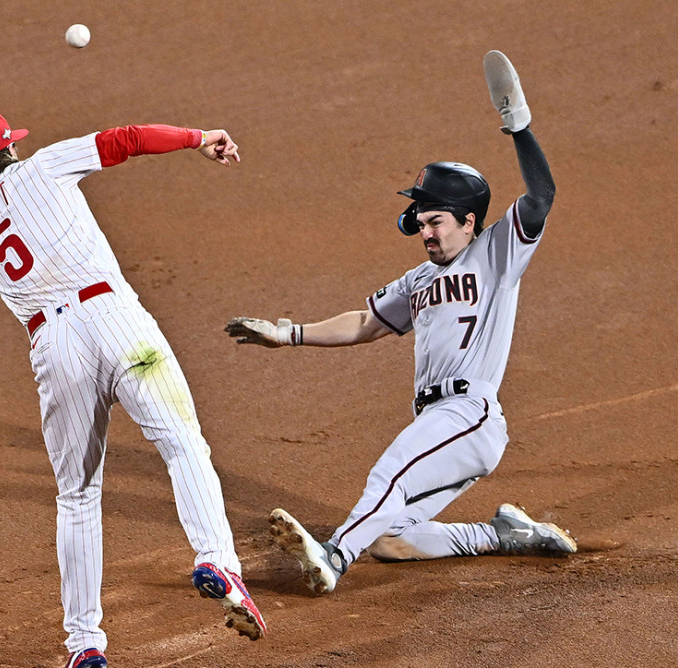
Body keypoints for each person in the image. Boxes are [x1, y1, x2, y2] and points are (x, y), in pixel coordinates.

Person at [0, 115, 265, 668]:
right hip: (115, 321)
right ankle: (216, 559)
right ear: (8, 152)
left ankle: (85, 646)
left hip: (53, 348)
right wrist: (200, 138)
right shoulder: (44, 167)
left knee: (76, 496)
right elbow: (128, 140)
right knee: (182, 445)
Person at [224, 51, 576, 596]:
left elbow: (541, 197)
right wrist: (286, 332)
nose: (426, 233)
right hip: (443, 422)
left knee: (388, 474)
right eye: (420, 223)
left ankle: (335, 556)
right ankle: (504, 534)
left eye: (436, 221)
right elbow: (365, 322)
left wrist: (518, 126)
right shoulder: (417, 280)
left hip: (469, 413)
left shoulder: (496, 254)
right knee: (392, 539)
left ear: (468, 222)